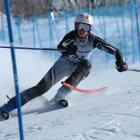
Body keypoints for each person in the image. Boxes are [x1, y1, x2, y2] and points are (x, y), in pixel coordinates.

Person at [0, 13, 128, 120]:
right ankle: (7, 107)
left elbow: (115, 50)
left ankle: (61, 95)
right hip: (64, 64)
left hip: (80, 68)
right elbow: (60, 47)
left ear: (90, 29)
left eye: (85, 27)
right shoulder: (71, 36)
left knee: (86, 64)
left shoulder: (94, 40)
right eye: (79, 26)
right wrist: (68, 49)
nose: (82, 30)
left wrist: (120, 62)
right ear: (76, 26)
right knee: (40, 88)